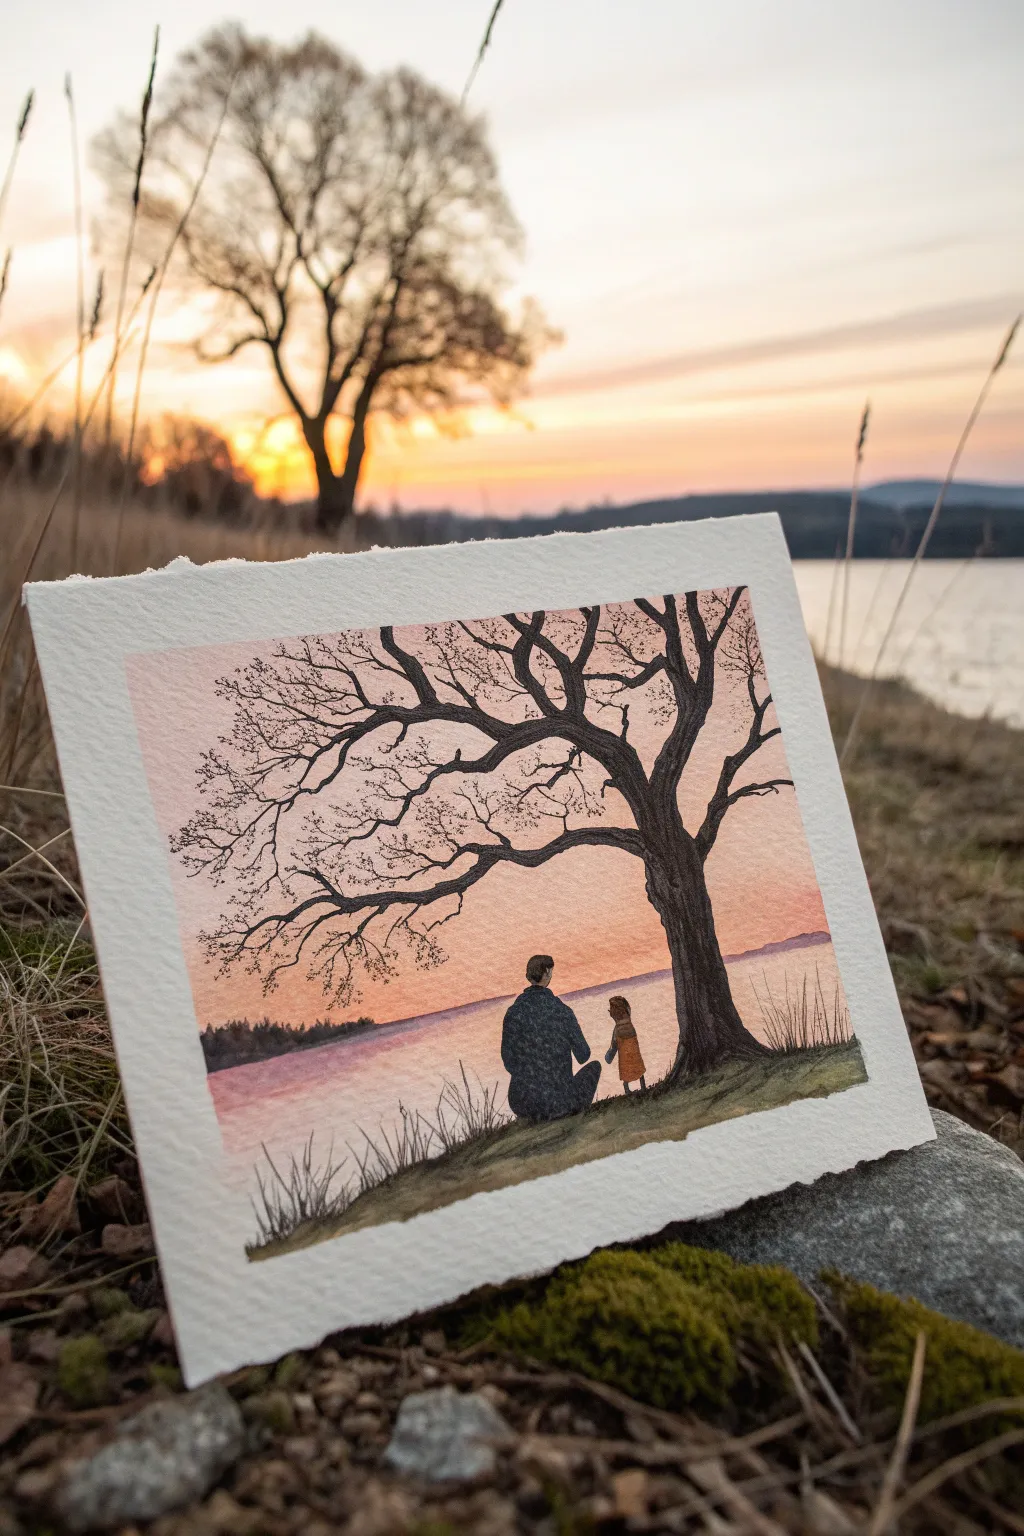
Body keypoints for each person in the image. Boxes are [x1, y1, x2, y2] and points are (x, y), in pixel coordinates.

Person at [501, 955, 601, 1120]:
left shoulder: (513, 1012)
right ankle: (565, 1110)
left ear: (529, 976)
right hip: (558, 1102)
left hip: (522, 1102)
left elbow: (508, 1061)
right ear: (547, 972)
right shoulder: (563, 1011)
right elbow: (583, 1055)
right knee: (595, 1067)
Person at [605, 995, 646, 1094]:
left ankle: (627, 1089)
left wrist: (609, 1056)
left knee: (626, 1070)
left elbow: (613, 1045)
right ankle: (643, 1087)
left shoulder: (617, 1029)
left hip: (625, 1056)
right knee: (638, 1069)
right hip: (633, 1053)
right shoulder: (630, 1025)